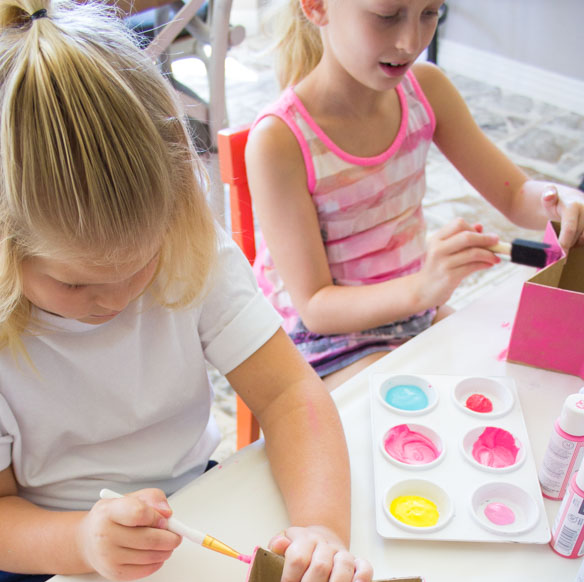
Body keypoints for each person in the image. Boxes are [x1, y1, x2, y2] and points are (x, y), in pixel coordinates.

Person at [0, 0, 372, 582]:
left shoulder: (183, 242)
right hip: (40, 549)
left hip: (190, 498)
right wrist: (83, 541)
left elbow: (289, 394)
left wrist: (322, 527)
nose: (117, 299)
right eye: (75, 285)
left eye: (139, 268)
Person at [246, 0, 584, 390]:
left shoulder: (427, 89)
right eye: (387, 16)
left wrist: (563, 200)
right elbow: (317, 307)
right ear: (318, 6)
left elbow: (515, 195)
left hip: (416, 303)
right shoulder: (278, 140)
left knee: (505, 387)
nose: (411, 42)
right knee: (408, 421)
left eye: (430, 12)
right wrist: (424, 288)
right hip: (326, 340)